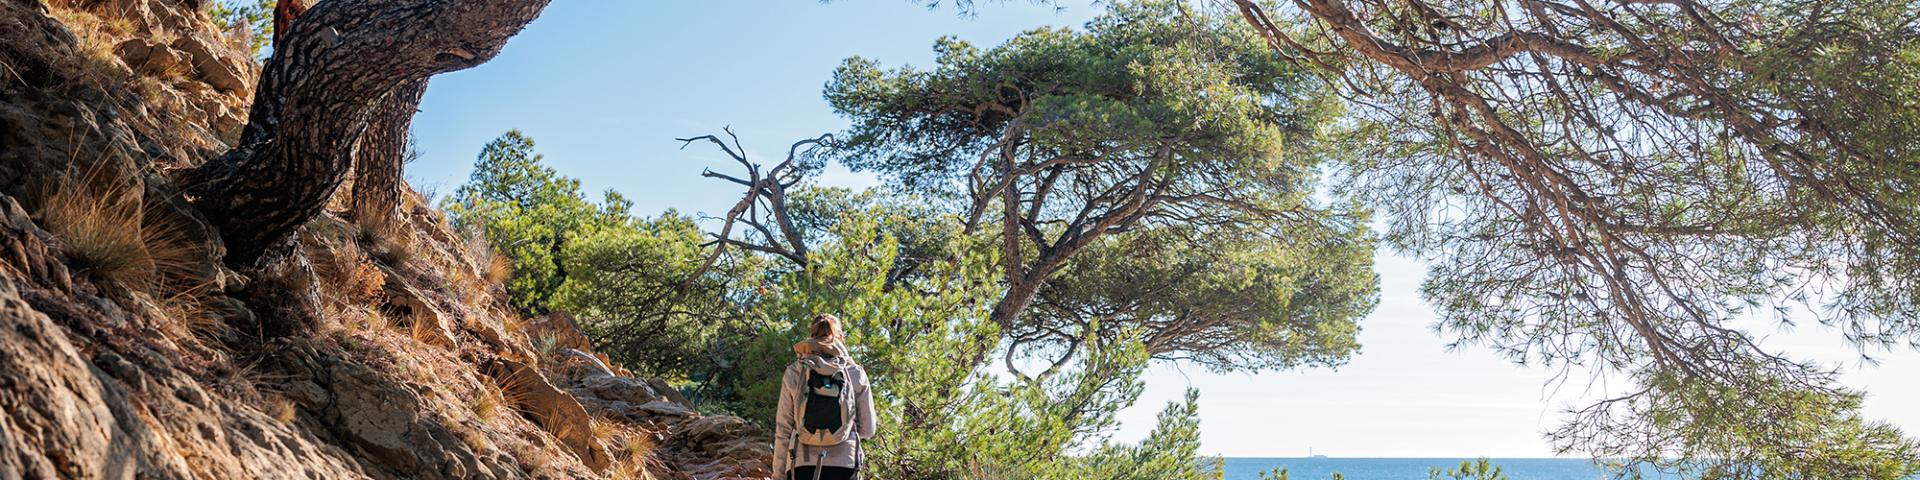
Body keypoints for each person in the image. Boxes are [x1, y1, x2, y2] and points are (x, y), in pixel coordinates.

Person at [773, 314, 875, 480]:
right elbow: (868, 429)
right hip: (845, 464)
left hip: (802, 464)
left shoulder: (795, 372)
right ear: (840, 338)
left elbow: (783, 429)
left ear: (812, 336)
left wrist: (778, 474)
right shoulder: (855, 373)